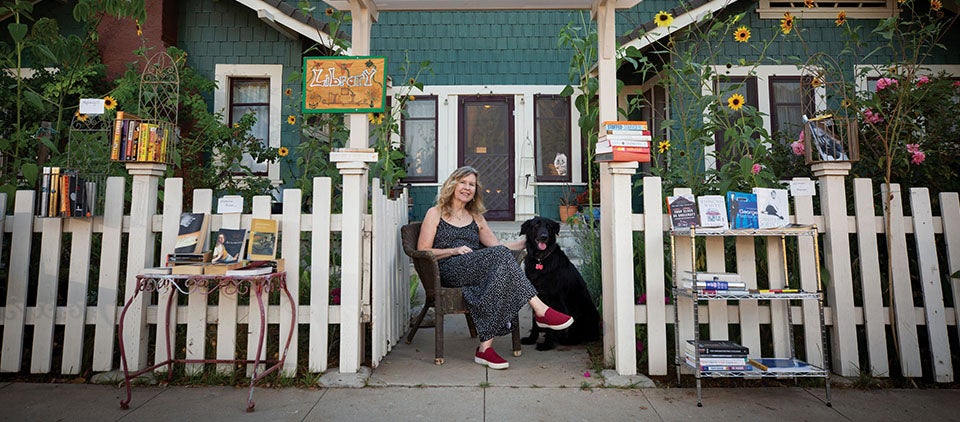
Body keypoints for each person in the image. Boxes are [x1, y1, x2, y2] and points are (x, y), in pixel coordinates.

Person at [417, 166, 573, 370]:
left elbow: (497, 247)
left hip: (476, 269)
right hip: (447, 270)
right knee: (501, 259)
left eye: (471, 184)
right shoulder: (435, 213)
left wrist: (528, 243)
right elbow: (423, 250)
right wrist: (453, 250)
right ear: (453, 184)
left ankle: (485, 349)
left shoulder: (475, 217)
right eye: (463, 182)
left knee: (501, 269)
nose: (467, 188)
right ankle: (541, 310)